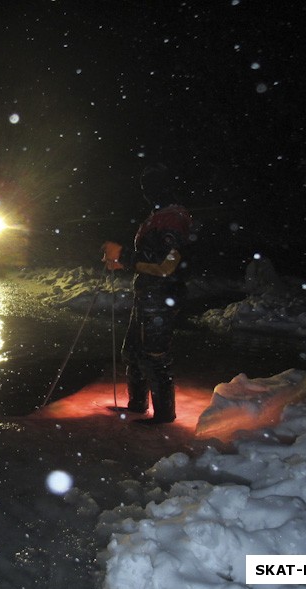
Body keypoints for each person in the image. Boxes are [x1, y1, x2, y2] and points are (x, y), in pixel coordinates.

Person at [103, 165, 193, 424]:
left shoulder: (173, 218)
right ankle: (138, 404)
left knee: (155, 355)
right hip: (147, 294)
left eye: (150, 188)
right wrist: (122, 262)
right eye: (144, 188)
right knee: (132, 351)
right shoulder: (157, 216)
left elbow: (167, 264)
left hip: (161, 296)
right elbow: (149, 258)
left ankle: (164, 415)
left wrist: (124, 257)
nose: (146, 194)